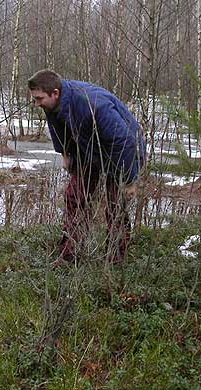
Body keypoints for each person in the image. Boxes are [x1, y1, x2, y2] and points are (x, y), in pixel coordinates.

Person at [28, 69, 146, 265]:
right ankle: (69, 255)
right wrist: (65, 153)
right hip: (88, 149)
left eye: (39, 99)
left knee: (115, 204)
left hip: (120, 151)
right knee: (74, 197)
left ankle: (116, 260)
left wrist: (129, 180)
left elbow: (124, 141)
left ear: (55, 93)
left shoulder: (92, 104)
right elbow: (57, 126)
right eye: (35, 99)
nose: (37, 104)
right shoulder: (52, 105)